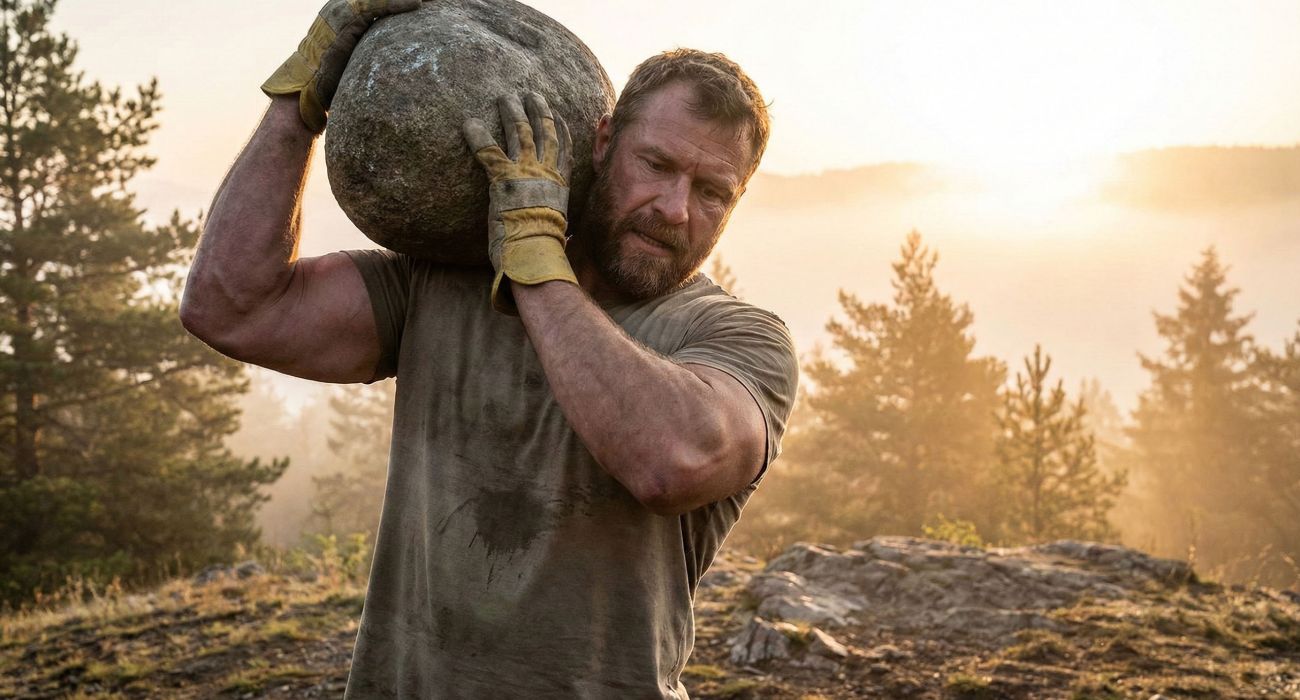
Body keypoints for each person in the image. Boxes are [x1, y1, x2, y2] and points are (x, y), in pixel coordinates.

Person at [181, 1, 798, 697]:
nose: (674, 208)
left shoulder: (738, 339)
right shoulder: (445, 281)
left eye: (712, 192)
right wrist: (299, 103)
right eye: (655, 164)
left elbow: (669, 463)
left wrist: (534, 262)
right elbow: (230, 306)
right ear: (601, 143)